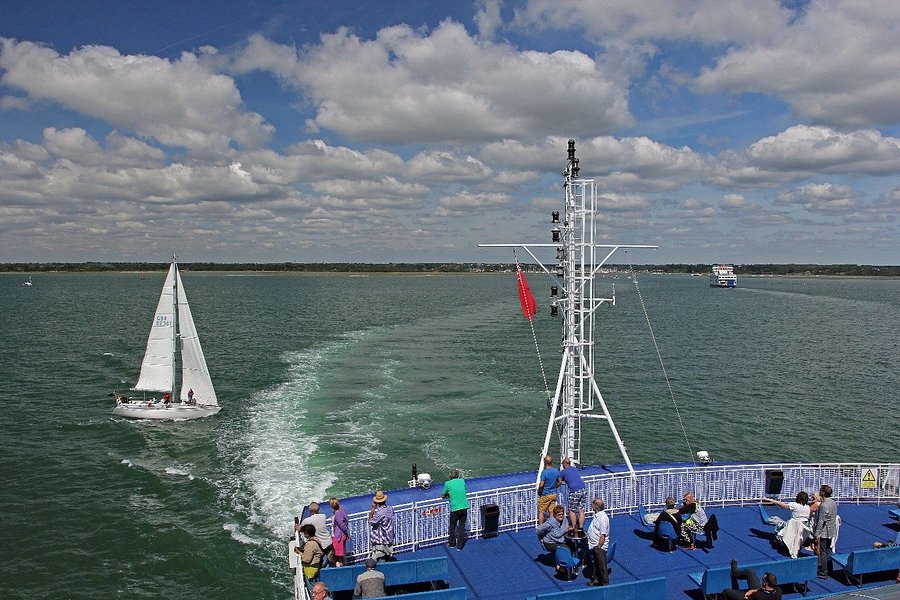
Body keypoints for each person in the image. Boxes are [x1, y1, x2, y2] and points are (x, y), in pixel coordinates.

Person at [762, 491, 812, 558]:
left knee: (779, 523)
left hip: (794, 526)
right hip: (804, 527)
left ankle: (779, 540)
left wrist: (771, 500)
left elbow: (781, 504)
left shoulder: (795, 505)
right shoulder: (808, 507)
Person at [536, 505, 576, 575]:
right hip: (550, 542)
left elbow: (564, 530)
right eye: (559, 514)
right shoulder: (550, 523)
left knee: (572, 545)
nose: (561, 516)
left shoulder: (565, 520)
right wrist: (541, 538)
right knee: (565, 548)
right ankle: (560, 566)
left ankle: (571, 562)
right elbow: (538, 529)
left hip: (560, 540)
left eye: (562, 514)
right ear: (554, 515)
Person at [812, 484, 837, 579]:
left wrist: (816, 534)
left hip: (824, 532)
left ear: (823, 493)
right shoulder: (833, 502)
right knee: (828, 550)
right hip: (831, 530)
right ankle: (829, 568)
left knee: (823, 552)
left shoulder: (823, 505)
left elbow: (821, 521)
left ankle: (823, 571)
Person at [441, 469, 468, 551]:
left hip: (455, 508)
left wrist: (448, 495)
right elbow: (463, 490)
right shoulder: (462, 481)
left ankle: (452, 543)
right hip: (464, 506)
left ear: (450, 476)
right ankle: (460, 546)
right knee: (461, 527)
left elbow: (442, 495)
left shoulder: (448, 484)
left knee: (452, 527)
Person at [586, 498, 610, 587]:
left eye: (592, 504)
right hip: (594, 545)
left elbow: (603, 535)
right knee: (596, 564)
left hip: (599, 547)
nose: (591, 505)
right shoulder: (597, 515)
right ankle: (596, 580)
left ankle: (605, 583)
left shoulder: (602, 518)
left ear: (595, 506)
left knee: (602, 566)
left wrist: (598, 546)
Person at [559, 457, 588, 530]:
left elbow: (559, 481)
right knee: (581, 509)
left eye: (562, 464)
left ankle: (573, 526)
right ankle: (581, 527)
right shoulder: (574, 469)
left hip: (575, 491)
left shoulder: (563, 472)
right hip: (583, 489)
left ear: (565, 464)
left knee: (571, 510)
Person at [368, 490, 395, 562]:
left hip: (381, 540)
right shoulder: (390, 508)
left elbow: (370, 522)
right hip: (389, 537)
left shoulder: (380, 512)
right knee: (387, 557)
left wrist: (372, 510)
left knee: (378, 559)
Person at [537, 455, 560, 525]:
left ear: (545, 462)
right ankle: (552, 524)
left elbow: (541, 484)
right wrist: (555, 486)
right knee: (551, 510)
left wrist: (539, 489)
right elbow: (560, 481)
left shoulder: (544, 472)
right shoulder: (556, 471)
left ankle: (541, 526)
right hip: (554, 494)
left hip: (546, 494)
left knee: (541, 511)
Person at [329, 497, 350, 566]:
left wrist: (346, 533)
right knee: (340, 553)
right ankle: (343, 565)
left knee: (338, 555)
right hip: (341, 535)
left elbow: (341, 525)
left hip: (338, 536)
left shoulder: (337, 514)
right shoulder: (341, 509)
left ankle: (340, 568)